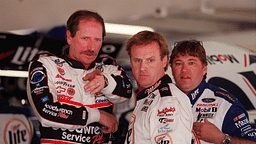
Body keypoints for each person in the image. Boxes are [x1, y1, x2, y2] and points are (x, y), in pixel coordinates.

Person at [26, 10, 132, 144]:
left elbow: (127, 91)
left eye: (97, 40)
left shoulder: (107, 67)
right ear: (69, 37)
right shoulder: (46, 65)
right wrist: (97, 116)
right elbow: (45, 112)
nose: (91, 47)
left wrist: (105, 82)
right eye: (85, 38)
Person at [169, 40, 256, 144]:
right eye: (178, 63)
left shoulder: (225, 104)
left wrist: (222, 139)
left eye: (191, 63)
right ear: (172, 69)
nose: (184, 70)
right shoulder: (158, 100)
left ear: (204, 68)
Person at [124, 30, 193, 144]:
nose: (142, 67)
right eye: (137, 60)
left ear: (164, 61)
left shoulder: (167, 100)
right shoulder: (149, 96)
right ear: (131, 62)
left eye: (150, 60)